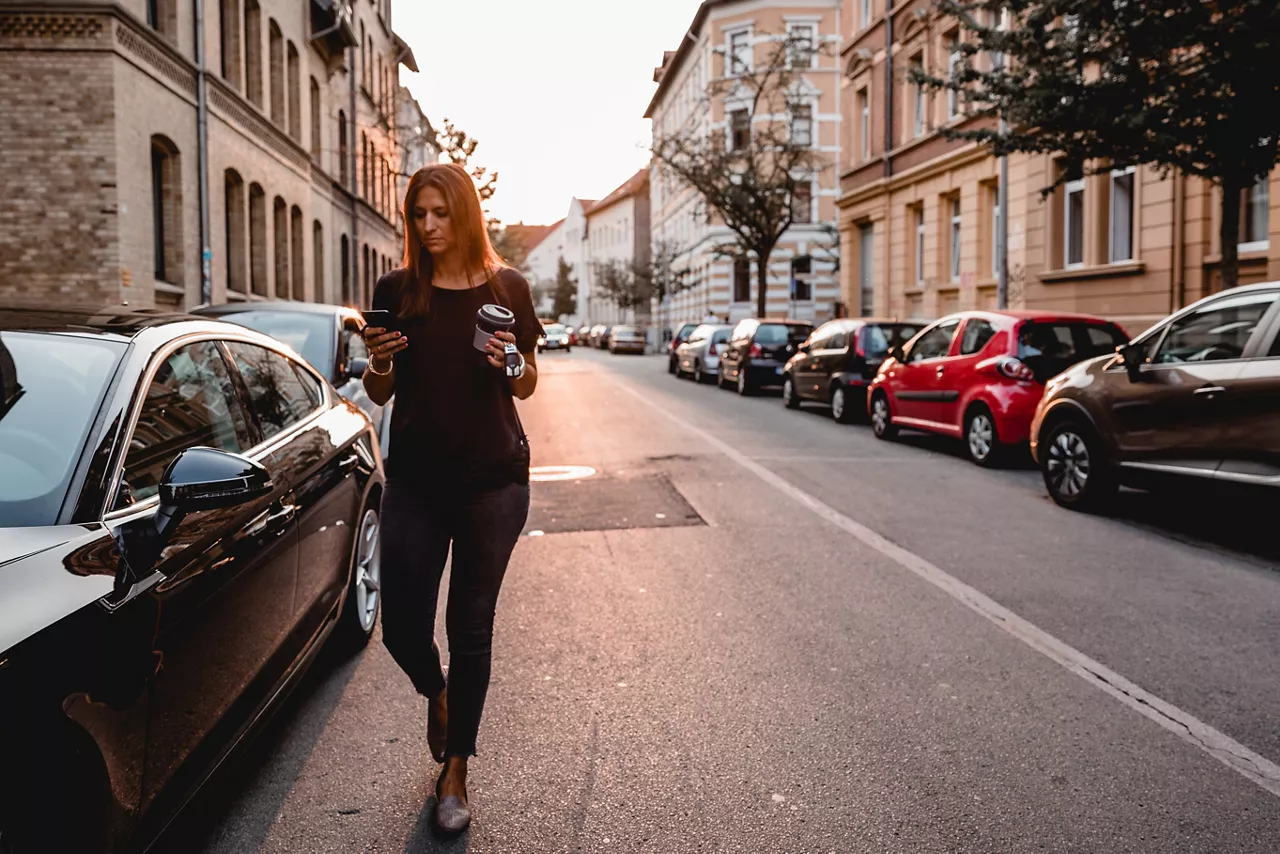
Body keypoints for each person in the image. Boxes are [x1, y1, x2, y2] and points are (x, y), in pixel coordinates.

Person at [360, 162, 540, 834]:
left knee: (471, 629)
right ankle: (436, 695)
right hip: (416, 481)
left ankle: (456, 769)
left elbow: (527, 383)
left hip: (494, 481)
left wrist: (510, 361)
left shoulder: (506, 288)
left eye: (440, 213)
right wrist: (379, 360)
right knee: (403, 626)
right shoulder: (399, 289)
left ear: (464, 215)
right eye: (419, 215)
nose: (429, 226)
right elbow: (381, 391)